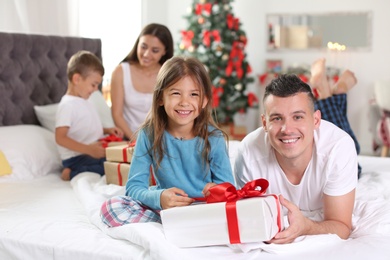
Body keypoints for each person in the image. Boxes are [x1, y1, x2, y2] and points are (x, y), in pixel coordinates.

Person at [100, 56, 234, 227]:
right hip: (163, 209)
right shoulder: (148, 134)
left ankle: (178, 228)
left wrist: (216, 192)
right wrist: (160, 197)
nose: (185, 102)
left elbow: (229, 188)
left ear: (204, 100)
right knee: (111, 207)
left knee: (233, 215)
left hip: (202, 209)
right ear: (161, 98)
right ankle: (172, 226)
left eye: (194, 94)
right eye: (176, 93)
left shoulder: (214, 138)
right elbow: (133, 187)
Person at [234, 73, 358, 244]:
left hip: (335, 153)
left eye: (298, 117)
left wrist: (306, 227)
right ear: (264, 123)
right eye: (277, 118)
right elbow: (250, 221)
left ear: (315, 120)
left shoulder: (339, 147)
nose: (287, 129)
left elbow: (342, 226)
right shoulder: (248, 153)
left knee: (347, 134)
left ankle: (339, 88)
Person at [55, 50, 123, 181]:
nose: (95, 89)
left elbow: (84, 126)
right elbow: (60, 137)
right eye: (93, 84)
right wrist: (89, 150)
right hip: (77, 157)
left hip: (90, 152)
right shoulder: (67, 105)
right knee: (107, 168)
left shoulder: (85, 100)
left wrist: (107, 130)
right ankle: (70, 173)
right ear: (77, 79)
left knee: (118, 161)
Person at [110, 23, 174, 141]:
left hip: (161, 139)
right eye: (143, 47)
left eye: (155, 50)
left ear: (165, 51)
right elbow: (117, 114)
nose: (146, 54)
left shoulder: (168, 74)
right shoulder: (120, 72)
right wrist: (136, 141)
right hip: (129, 138)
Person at [310, 58, 362, 177]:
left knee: (347, 146)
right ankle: (335, 92)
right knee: (349, 146)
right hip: (348, 165)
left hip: (343, 165)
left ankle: (327, 90)